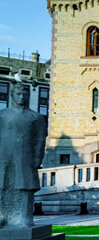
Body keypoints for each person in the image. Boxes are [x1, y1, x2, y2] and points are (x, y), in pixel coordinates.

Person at [0, 80, 47, 228]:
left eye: (24, 94)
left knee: (25, 185)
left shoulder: (36, 117)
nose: (21, 97)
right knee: (2, 185)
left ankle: (24, 217)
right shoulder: (2, 115)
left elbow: (40, 139)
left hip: (25, 157)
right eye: (18, 94)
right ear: (12, 94)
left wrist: (37, 158)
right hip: (3, 155)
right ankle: (3, 216)